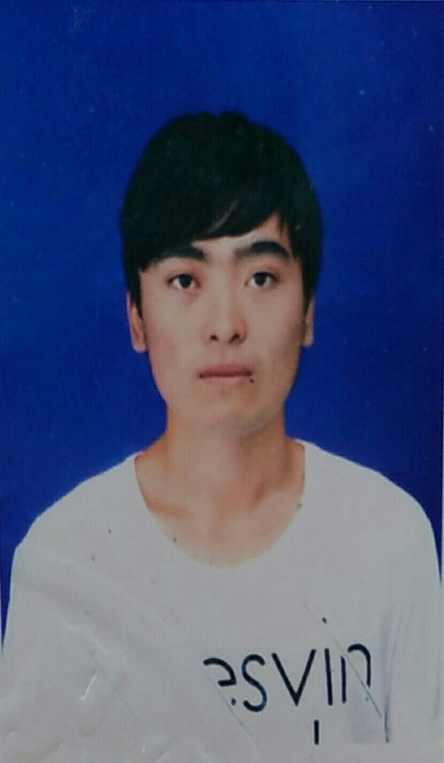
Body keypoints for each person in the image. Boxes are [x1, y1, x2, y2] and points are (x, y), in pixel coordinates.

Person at [0, 112, 441, 762]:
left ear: (308, 310)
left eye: (261, 278)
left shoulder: (388, 537)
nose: (225, 324)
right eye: (185, 279)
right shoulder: (66, 556)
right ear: (136, 317)